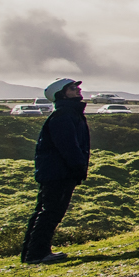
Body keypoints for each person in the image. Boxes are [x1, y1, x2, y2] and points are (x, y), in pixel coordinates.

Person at [23, 77, 89, 265]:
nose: (77, 90)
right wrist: (78, 167)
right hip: (59, 173)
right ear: (62, 94)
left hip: (56, 172)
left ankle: (32, 253)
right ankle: (37, 254)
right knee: (51, 212)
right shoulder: (63, 116)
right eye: (72, 88)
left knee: (45, 211)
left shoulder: (68, 114)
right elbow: (69, 146)